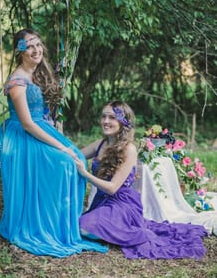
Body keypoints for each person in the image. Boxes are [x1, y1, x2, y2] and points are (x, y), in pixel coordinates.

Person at [0, 28, 108, 257]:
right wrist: (60, 146)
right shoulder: (17, 82)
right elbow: (27, 124)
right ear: (20, 52)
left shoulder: (36, 73)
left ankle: (62, 223)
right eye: (29, 46)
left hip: (41, 127)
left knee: (76, 157)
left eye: (38, 44)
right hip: (22, 135)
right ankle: (45, 224)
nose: (36, 50)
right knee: (64, 162)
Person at [74, 100, 209, 260]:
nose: (105, 121)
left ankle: (120, 230)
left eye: (111, 117)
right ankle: (109, 230)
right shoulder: (100, 144)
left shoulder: (129, 149)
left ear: (122, 122)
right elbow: (74, 154)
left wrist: (85, 173)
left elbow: (112, 188)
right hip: (101, 202)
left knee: (82, 227)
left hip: (121, 205)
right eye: (103, 117)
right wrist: (54, 148)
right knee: (77, 226)